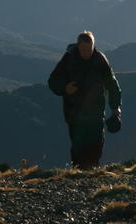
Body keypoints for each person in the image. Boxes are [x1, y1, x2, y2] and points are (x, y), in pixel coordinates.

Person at [47, 31, 122, 170]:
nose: (87, 52)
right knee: (78, 148)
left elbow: (112, 85)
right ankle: (79, 175)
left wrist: (115, 107)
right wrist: (65, 88)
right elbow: (53, 80)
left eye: (90, 49)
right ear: (78, 46)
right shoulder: (69, 58)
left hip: (95, 112)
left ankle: (91, 174)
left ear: (94, 45)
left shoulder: (100, 60)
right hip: (74, 113)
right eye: (84, 49)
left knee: (96, 145)